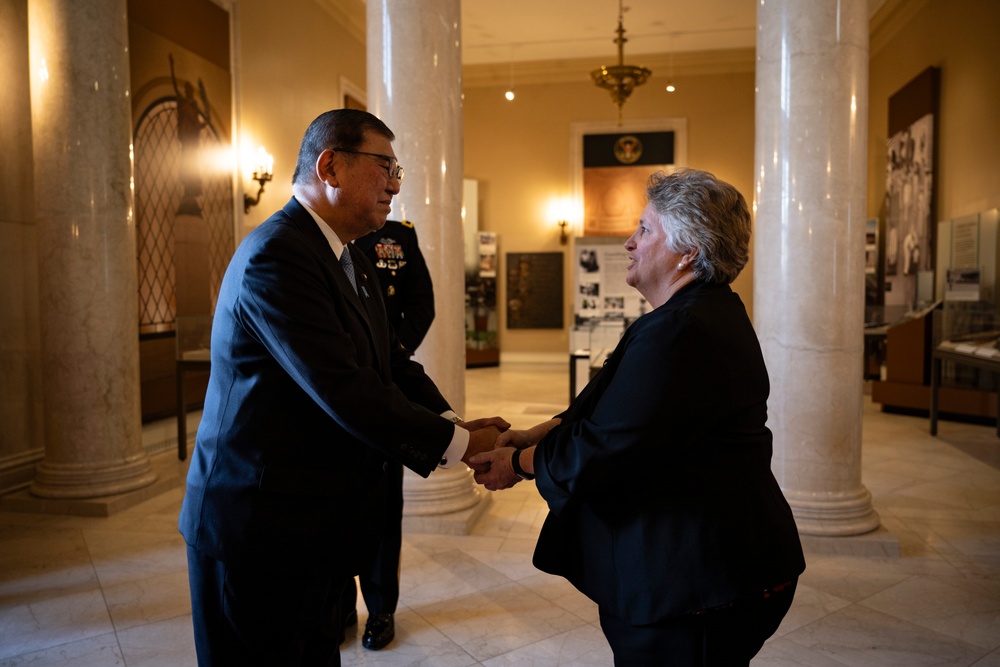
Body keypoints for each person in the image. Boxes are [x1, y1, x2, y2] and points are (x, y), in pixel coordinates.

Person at [179, 108, 505, 666]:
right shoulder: (278, 255)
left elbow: (390, 363)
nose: (396, 184)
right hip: (258, 528)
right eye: (385, 166)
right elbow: (344, 388)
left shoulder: (348, 255)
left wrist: (454, 426)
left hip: (314, 524)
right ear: (330, 166)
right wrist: (461, 449)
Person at [471, 168, 806, 666]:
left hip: (698, 585)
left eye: (645, 230)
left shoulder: (683, 330)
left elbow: (605, 447)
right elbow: (617, 408)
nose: (629, 243)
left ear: (688, 249)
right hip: (712, 569)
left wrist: (519, 463)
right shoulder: (695, 314)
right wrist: (530, 434)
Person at [339, 219, 435, 650]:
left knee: (380, 502)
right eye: (385, 170)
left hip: (385, 381)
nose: (393, 185)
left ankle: (380, 609)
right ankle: (339, 604)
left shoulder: (398, 236)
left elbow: (421, 304)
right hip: (333, 390)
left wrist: (390, 351)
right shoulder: (313, 244)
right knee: (333, 499)